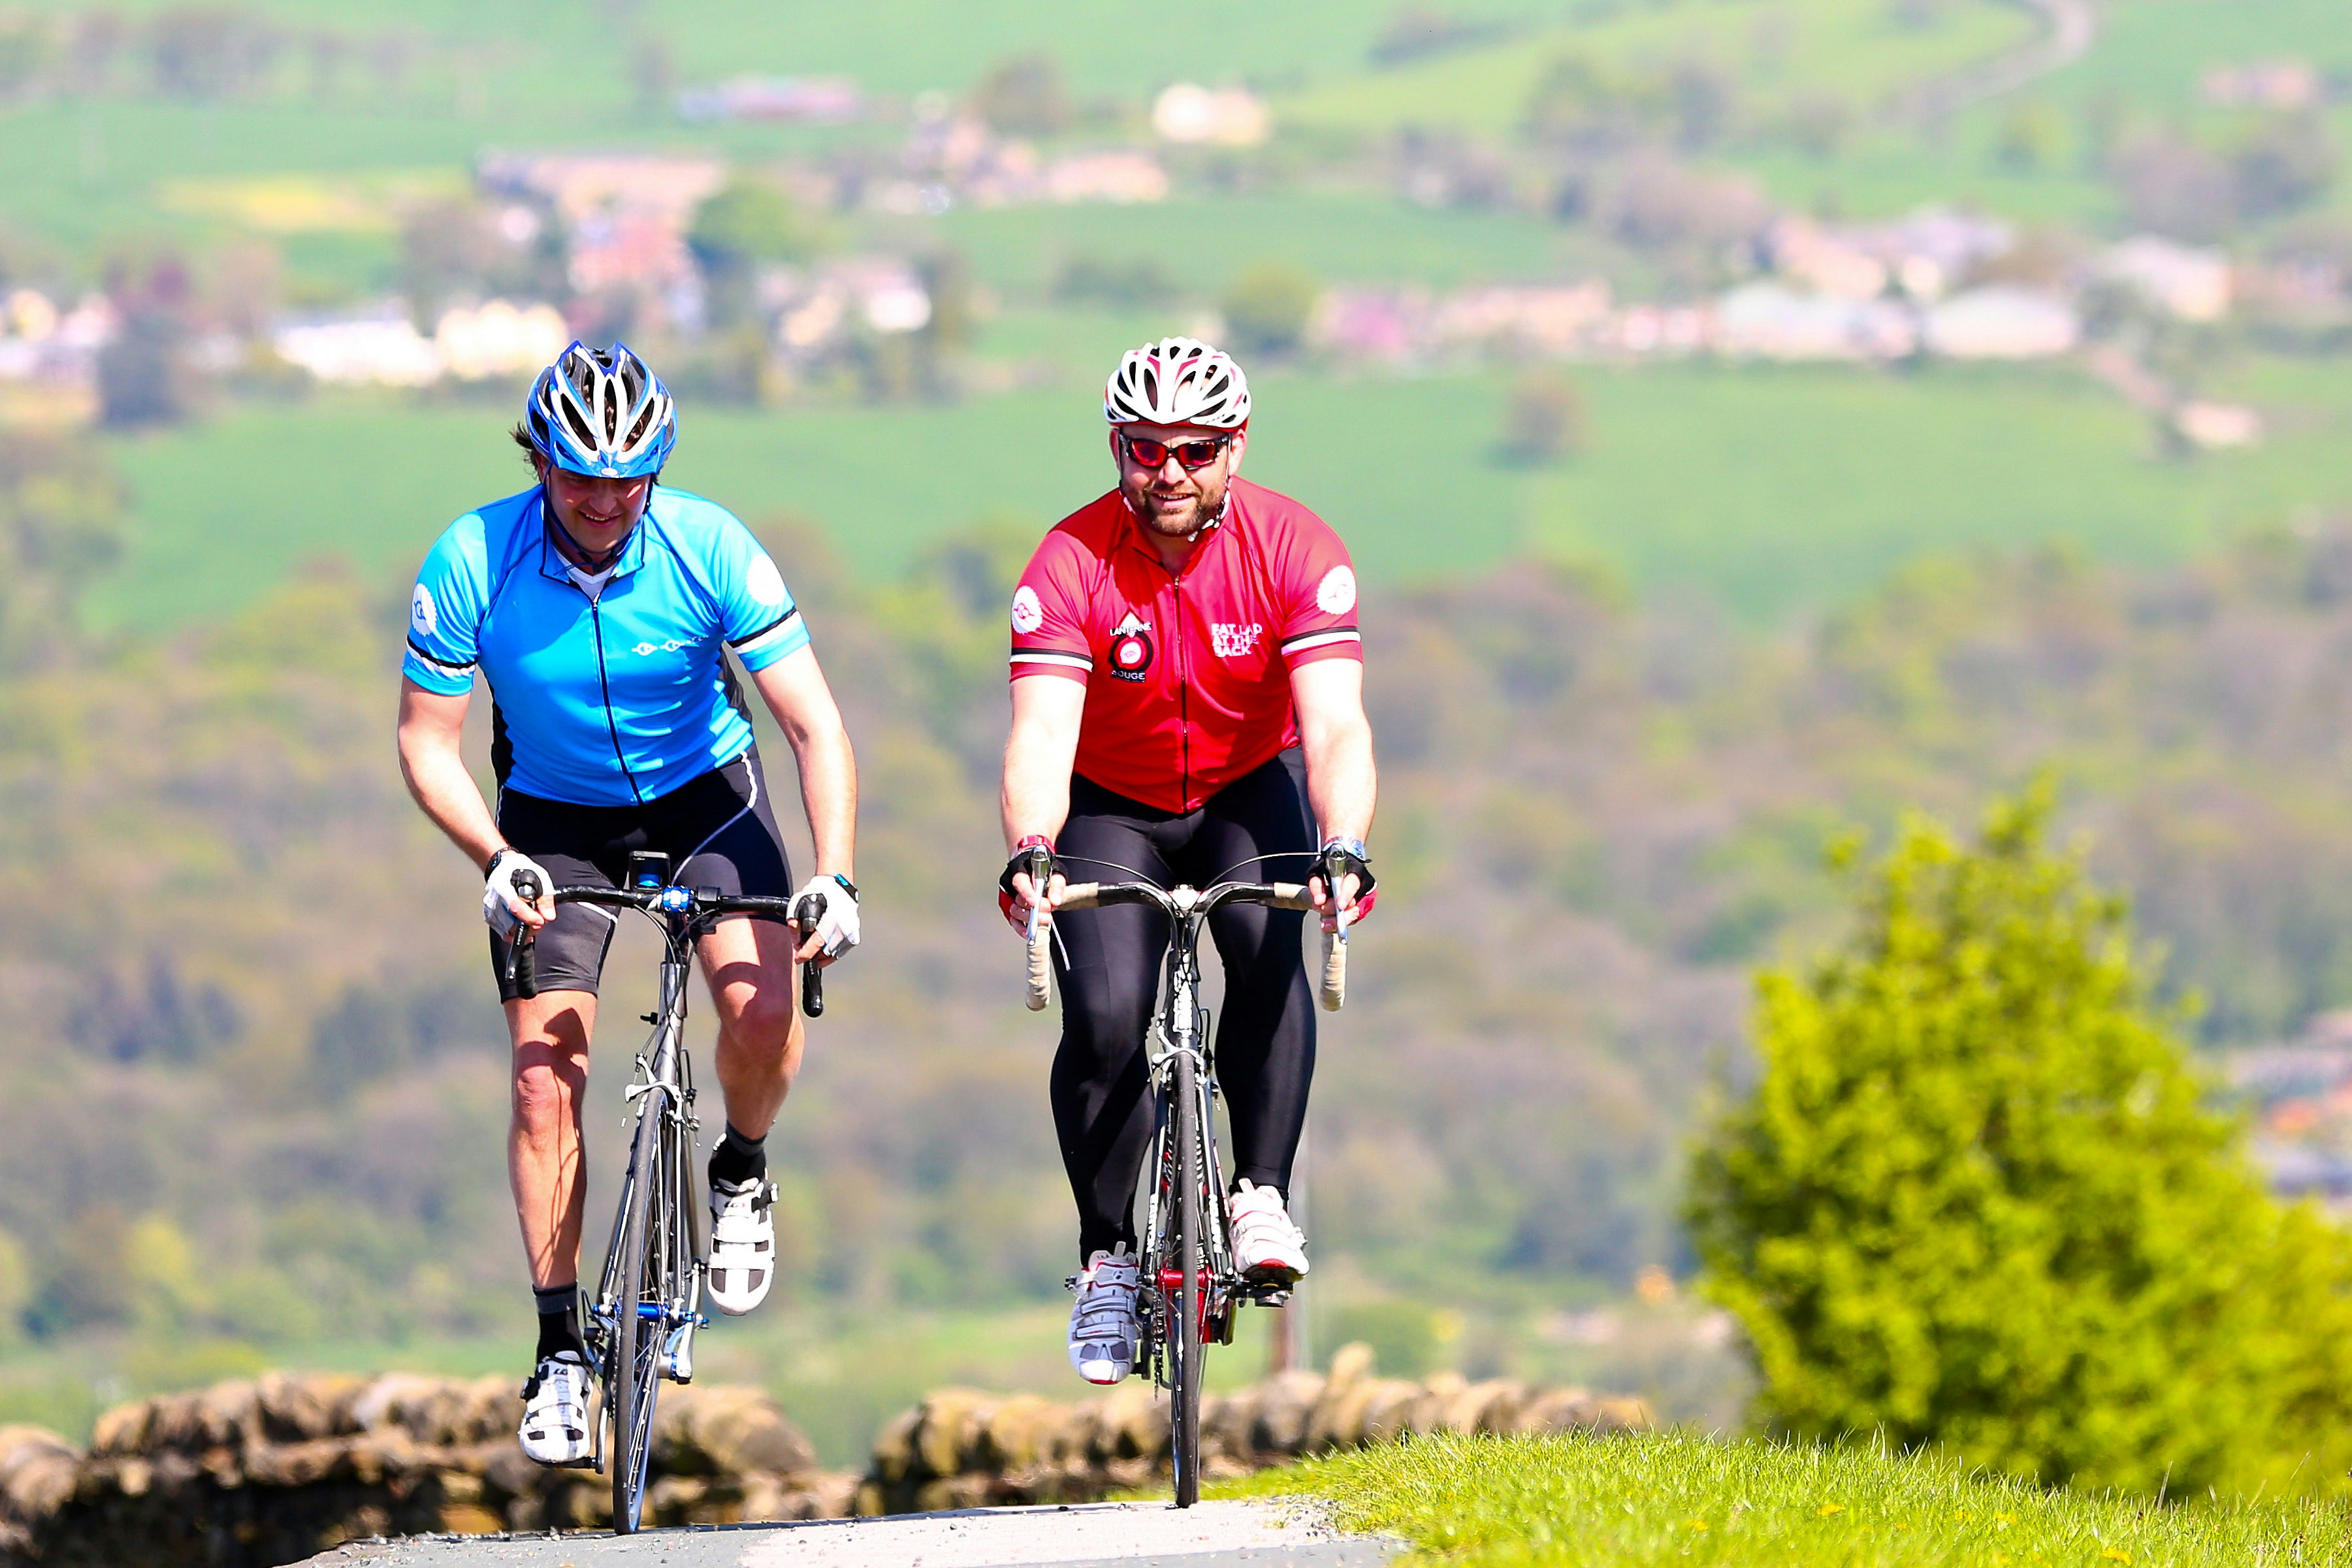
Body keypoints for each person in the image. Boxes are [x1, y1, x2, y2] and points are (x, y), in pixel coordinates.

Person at [395, 343, 859, 1464]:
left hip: (706, 800)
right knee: (545, 1081)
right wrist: (491, 856)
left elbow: (813, 726)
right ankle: (559, 1348)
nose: (603, 504)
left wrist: (834, 874)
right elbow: (426, 742)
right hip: (552, 822)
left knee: (761, 1008)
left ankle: (740, 1166)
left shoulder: (709, 547)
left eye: (628, 481)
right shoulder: (473, 558)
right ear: (539, 461)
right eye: (578, 478)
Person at [998, 336, 1377, 1386]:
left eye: (1197, 450)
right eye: (1145, 448)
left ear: (1235, 447)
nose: (1169, 471)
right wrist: (1031, 849)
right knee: (1109, 1017)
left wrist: (1342, 843)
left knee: (1265, 949)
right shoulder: (1069, 559)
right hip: (1108, 805)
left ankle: (1259, 1190)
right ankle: (1109, 1257)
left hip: (1242, 787)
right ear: (1116, 447)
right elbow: (1039, 733)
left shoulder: (1296, 547)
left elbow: (1335, 726)